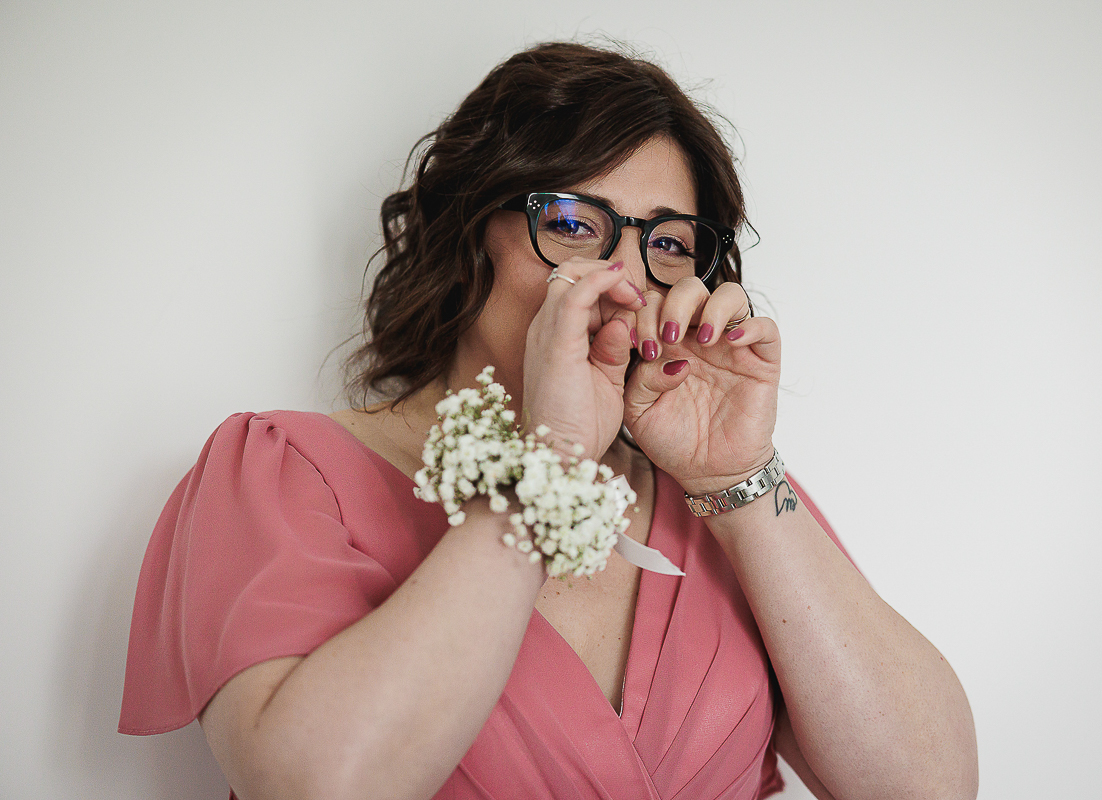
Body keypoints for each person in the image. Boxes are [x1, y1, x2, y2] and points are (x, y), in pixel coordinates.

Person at [119, 41, 978, 800]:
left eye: (668, 242)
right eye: (571, 222)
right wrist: (552, 462)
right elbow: (317, 784)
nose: (625, 276)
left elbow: (927, 787)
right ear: (469, 234)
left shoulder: (719, 500)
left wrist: (734, 476)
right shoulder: (284, 470)